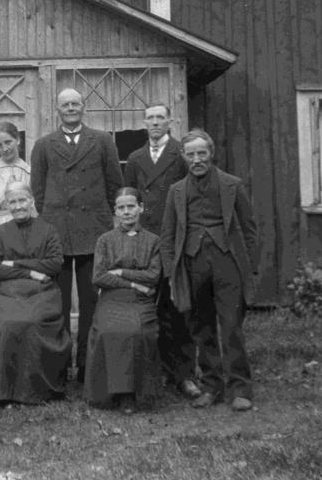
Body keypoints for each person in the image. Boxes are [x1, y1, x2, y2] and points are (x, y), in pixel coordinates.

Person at [161, 129, 259, 412]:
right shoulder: (176, 191)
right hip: (192, 265)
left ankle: (240, 387)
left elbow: (250, 230)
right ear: (184, 157)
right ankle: (212, 386)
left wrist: (249, 266)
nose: (196, 159)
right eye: (190, 155)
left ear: (210, 153)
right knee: (201, 328)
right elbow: (167, 236)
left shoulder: (232, 185)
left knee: (231, 327)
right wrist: (171, 272)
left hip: (228, 263)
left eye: (201, 153)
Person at [31, 87, 123, 383]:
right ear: (57, 110)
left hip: (93, 231)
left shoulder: (103, 141)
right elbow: (38, 190)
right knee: (56, 303)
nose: (71, 108)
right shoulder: (44, 145)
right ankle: (57, 369)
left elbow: (114, 184)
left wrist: (113, 223)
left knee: (90, 302)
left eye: (75, 103)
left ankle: (87, 368)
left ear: (83, 107)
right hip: (58, 231)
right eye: (65, 104)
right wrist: (49, 222)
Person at [123, 105, 199, 398]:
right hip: (144, 240)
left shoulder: (181, 154)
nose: (155, 123)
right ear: (144, 123)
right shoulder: (135, 158)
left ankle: (183, 373)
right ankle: (151, 371)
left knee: (176, 307)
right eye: (150, 118)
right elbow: (128, 197)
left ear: (170, 122)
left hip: (172, 238)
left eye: (160, 118)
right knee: (145, 304)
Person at [0, 182, 71, 405]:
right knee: (7, 323)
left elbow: (54, 265)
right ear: (7, 205)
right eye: (12, 202)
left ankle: (37, 390)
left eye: (22, 200)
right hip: (6, 294)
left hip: (42, 293)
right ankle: (5, 391)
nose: (18, 205)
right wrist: (32, 272)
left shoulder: (48, 230)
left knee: (32, 322)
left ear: (31, 201)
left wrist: (13, 263)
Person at [84, 188, 162, 413]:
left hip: (141, 300)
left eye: (131, 206)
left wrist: (120, 272)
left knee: (137, 332)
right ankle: (112, 392)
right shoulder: (105, 240)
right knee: (109, 331)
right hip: (113, 298)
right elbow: (99, 277)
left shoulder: (153, 241)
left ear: (141, 207)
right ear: (115, 211)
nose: (127, 212)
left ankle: (132, 393)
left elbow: (153, 276)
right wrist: (133, 283)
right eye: (121, 208)